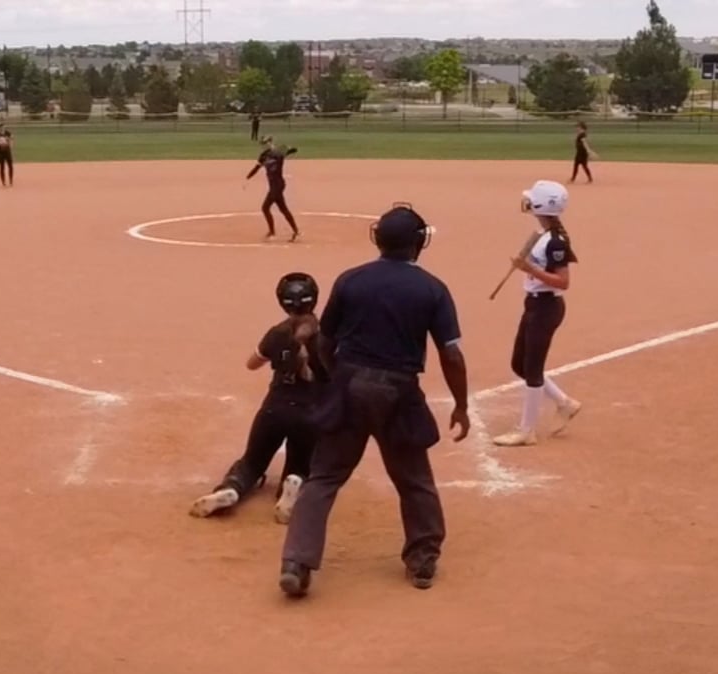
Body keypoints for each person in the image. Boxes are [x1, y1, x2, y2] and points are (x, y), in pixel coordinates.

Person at [278, 204, 470, 598]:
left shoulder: (351, 280)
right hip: (398, 390)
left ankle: (296, 562)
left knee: (324, 477)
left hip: (349, 384)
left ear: (378, 240)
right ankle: (422, 560)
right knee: (414, 479)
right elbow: (450, 354)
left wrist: (336, 377)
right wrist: (461, 404)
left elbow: (325, 340)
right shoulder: (432, 289)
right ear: (418, 244)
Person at [191, 273, 328, 523]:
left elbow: (252, 364)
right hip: (310, 412)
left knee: (251, 463)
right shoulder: (327, 337)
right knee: (301, 464)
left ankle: (231, 489)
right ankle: (294, 483)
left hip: (274, 408)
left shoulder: (278, 333)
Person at [493, 181, 583, 447]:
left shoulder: (555, 242)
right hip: (534, 305)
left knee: (532, 369)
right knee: (519, 365)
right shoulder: (543, 236)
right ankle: (564, 403)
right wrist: (528, 266)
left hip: (546, 307)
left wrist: (528, 269)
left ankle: (527, 431)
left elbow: (563, 282)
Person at [247, 136, 301, 241]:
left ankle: (274, 232)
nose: (264, 145)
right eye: (262, 144)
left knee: (267, 207)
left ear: (271, 142)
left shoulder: (278, 153)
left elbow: (293, 150)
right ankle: (294, 231)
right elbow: (257, 167)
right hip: (273, 186)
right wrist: (248, 177)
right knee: (280, 208)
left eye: (266, 143)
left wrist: (289, 150)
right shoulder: (263, 156)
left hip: (278, 185)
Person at [0, 123, 14, 187]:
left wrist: (9, 144)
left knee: (10, 166)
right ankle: (3, 182)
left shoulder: (8, 133)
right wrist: (0, 144)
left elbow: (12, 139)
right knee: (2, 167)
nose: (1, 128)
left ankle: (11, 181)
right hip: (0, 153)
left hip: (8, 152)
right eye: (0, 127)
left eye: (2, 127)